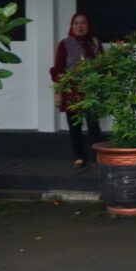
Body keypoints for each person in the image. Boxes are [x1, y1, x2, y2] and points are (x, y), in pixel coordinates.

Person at [50, 13, 104, 169]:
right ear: (72, 26)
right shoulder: (65, 44)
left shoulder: (95, 43)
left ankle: (98, 157)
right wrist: (58, 93)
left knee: (93, 125)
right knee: (75, 126)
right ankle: (78, 157)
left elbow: (103, 66)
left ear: (88, 25)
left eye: (83, 23)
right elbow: (59, 70)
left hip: (91, 89)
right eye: (76, 23)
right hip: (72, 91)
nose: (80, 26)